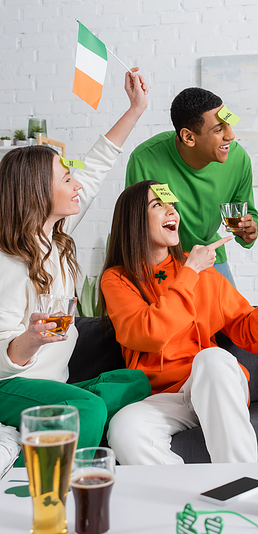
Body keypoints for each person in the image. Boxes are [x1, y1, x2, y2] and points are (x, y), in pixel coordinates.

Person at [0, 69, 152, 475]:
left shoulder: (55, 237)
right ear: (37, 193)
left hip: (55, 386)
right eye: (66, 178)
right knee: (87, 405)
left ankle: (47, 426)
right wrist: (30, 340)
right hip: (7, 385)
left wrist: (135, 109)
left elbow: (97, 166)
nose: (76, 184)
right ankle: (69, 484)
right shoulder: (9, 262)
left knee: (134, 382)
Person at [100, 180, 258, 465]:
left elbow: (248, 333)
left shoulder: (204, 275)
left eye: (171, 204)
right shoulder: (118, 280)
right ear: (134, 219)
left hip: (214, 386)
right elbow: (147, 334)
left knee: (211, 358)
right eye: (158, 205)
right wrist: (189, 271)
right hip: (165, 397)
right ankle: (184, 502)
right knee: (124, 428)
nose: (171, 211)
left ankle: (242, 483)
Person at [125, 87, 258, 286]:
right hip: (161, 262)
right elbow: (134, 227)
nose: (231, 135)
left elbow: (247, 214)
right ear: (189, 137)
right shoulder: (144, 159)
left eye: (229, 124)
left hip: (210, 255)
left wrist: (248, 230)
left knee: (237, 316)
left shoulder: (238, 159)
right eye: (219, 129)